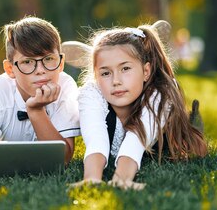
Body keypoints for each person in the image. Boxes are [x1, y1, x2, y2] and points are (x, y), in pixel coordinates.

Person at [74, 23, 207, 190]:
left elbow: (137, 138)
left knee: (193, 143)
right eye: (105, 73)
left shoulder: (160, 93)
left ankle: (193, 119)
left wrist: (121, 179)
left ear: (146, 71)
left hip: (168, 131)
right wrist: (91, 179)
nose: (116, 81)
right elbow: (95, 139)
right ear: (96, 76)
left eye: (125, 68)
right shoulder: (91, 93)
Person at [0, 16, 80, 181]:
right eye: (28, 61)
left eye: (49, 59)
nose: (40, 70)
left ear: (61, 62)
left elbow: (63, 159)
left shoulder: (65, 86)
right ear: (10, 69)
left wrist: (35, 111)